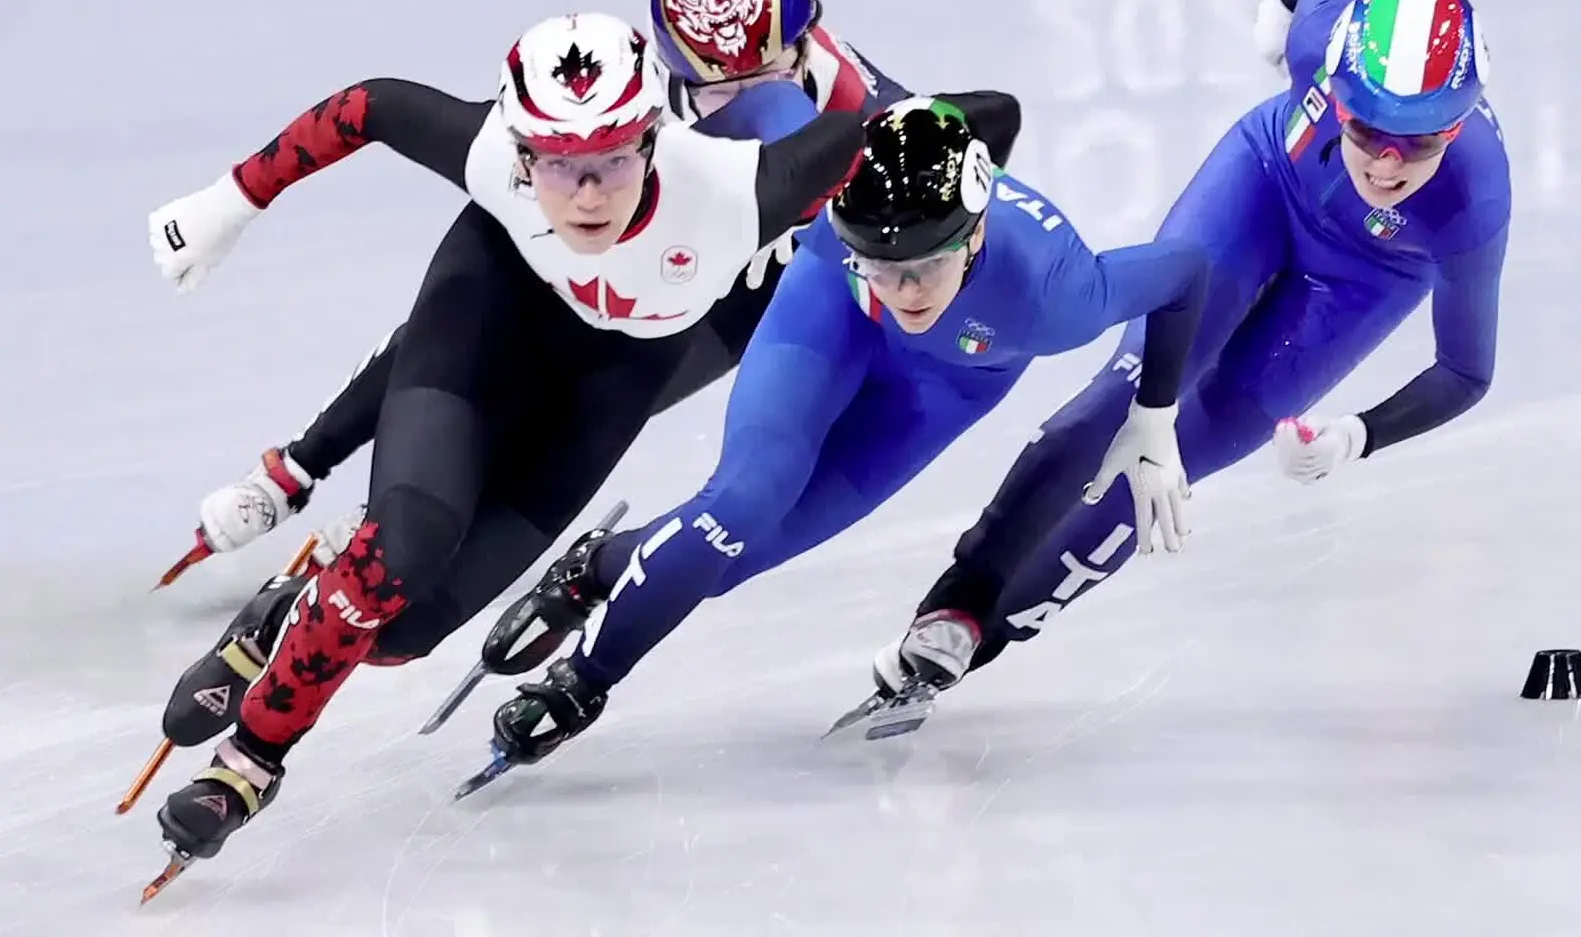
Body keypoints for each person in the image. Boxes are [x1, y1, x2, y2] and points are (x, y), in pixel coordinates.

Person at [138, 8, 873, 886]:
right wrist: (230, 202)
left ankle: (287, 613)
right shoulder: (490, 153)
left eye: (609, 161)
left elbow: (974, 117)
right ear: (522, 157)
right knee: (401, 545)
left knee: (399, 636)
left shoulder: (742, 187)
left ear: (652, 140)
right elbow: (371, 105)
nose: (588, 193)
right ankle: (249, 766)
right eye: (560, 167)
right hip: (481, 326)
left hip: (604, 392)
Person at [860, 0, 1510, 713]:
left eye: (1419, 141)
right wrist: (1283, 0)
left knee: (1163, 474)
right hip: (1265, 184)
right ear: (1332, 89)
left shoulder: (1474, 200)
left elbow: (1465, 371)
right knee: (1125, 396)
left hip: (1365, 280)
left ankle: (981, 639)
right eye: (1365, 125)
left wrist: (1362, 435)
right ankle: (958, 598)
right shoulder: (1318, 44)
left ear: (1456, 130)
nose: (1386, 160)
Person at [471, 91, 1212, 775]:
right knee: (739, 505)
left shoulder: (1060, 294)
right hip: (827, 310)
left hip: (941, 388)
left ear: (976, 231)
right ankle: (580, 684)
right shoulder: (844, 190)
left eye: (924, 267)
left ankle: (597, 570)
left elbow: (1186, 273)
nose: (903, 291)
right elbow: (767, 102)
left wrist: (1155, 414)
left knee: (726, 564)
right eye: (883, 266)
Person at [167, 0, 908, 590]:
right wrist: (233, 198)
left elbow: (964, 177)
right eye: (724, 86)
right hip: (616, 227)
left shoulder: (864, 105)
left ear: (808, 39)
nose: (754, 95)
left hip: (733, 284)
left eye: (775, 68)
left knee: (587, 405)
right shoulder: (642, 98)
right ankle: (302, 463)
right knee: (466, 331)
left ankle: (393, 522)